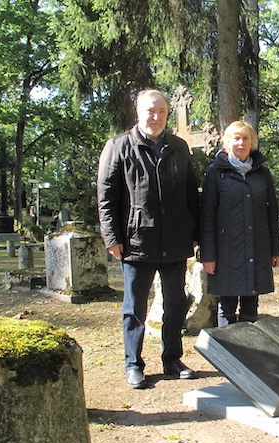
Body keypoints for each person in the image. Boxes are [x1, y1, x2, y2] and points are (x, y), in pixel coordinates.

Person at [97, 89, 200, 389]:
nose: (156, 117)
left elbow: (191, 193)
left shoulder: (178, 147)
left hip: (176, 240)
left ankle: (172, 359)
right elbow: (106, 197)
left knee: (176, 304)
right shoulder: (118, 146)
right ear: (138, 112)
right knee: (135, 308)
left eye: (162, 111)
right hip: (136, 241)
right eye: (150, 111)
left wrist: (194, 233)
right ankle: (133, 363)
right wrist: (112, 237)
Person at [200, 120, 279, 324]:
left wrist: (276, 248)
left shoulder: (262, 173)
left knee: (251, 307)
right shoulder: (215, 173)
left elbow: (272, 213)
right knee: (226, 308)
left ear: (252, 142)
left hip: (257, 249)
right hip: (226, 252)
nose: (241, 143)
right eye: (236, 138)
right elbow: (207, 217)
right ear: (227, 142)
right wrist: (208, 255)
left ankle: (249, 345)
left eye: (246, 138)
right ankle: (226, 346)